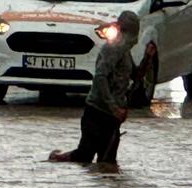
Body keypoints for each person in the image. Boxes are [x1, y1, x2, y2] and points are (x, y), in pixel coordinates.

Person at [49, 11, 156, 165]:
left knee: (107, 161)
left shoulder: (125, 52)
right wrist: (114, 108)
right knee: (85, 156)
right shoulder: (112, 49)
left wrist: (147, 58)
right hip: (97, 112)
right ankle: (57, 158)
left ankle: (64, 160)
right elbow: (100, 77)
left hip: (112, 117)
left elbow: (136, 76)